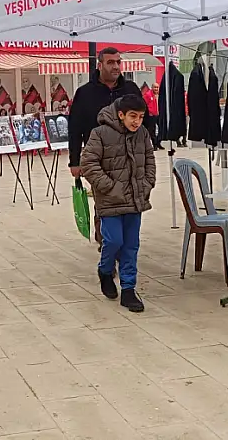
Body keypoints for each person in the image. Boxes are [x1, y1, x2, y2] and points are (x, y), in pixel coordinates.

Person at [79, 95, 156, 313]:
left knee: (131, 246)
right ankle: (105, 271)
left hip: (135, 200)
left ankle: (129, 289)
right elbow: (89, 163)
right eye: (133, 116)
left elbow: (150, 160)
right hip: (110, 201)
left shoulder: (142, 134)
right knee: (112, 241)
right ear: (121, 115)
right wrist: (111, 187)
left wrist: (147, 183)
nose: (137, 122)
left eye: (141, 117)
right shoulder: (100, 134)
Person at [68, 47, 142, 248]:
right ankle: (108, 246)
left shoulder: (131, 90)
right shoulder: (84, 93)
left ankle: (124, 244)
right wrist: (74, 161)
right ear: (100, 65)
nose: (116, 66)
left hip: (129, 159)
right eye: (111, 62)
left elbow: (144, 123)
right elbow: (74, 128)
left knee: (128, 204)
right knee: (105, 205)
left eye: (118, 62)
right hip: (98, 160)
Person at [144, 83, 161, 149]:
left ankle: (158, 142)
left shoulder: (160, 95)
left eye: (157, 87)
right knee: (152, 130)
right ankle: (154, 144)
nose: (156, 89)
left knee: (161, 129)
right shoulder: (148, 95)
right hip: (151, 115)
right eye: (155, 87)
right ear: (152, 88)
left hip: (159, 114)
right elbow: (145, 104)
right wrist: (149, 113)